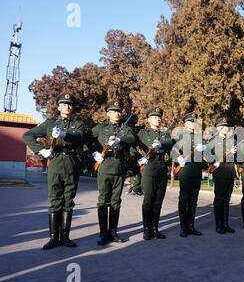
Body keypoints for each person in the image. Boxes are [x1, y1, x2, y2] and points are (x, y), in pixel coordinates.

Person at [23, 93, 86, 250]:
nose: (67, 106)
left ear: (73, 108)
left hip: (71, 163)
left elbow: (79, 137)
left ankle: (65, 237)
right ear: (58, 107)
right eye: (63, 104)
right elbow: (28, 135)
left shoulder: (78, 124)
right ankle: (53, 238)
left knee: (68, 201)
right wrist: (41, 151)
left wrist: (65, 134)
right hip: (56, 162)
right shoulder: (50, 123)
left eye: (69, 104)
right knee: (55, 200)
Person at [87, 101, 137, 245]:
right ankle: (103, 233)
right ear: (108, 113)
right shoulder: (101, 127)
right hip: (104, 166)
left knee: (116, 202)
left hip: (119, 167)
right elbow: (87, 138)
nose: (117, 113)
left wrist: (120, 139)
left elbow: (133, 138)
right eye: (114, 111)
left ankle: (113, 232)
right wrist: (94, 153)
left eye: (119, 111)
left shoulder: (125, 128)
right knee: (103, 200)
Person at [136, 107, 175, 240]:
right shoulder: (143, 133)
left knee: (158, 201)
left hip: (162, 167)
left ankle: (155, 228)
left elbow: (171, 145)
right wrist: (138, 158)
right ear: (149, 119)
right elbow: (133, 145)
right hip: (149, 166)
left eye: (159, 117)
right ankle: (146, 229)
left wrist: (162, 145)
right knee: (148, 200)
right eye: (154, 117)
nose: (157, 119)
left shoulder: (165, 134)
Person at [173, 113, 206, 237]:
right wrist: (179, 158)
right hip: (185, 170)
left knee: (193, 200)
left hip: (196, 170)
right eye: (191, 121)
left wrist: (205, 148)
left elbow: (205, 153)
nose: (194, 124)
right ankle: (183, 227)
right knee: (184, 199)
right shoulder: (180, 135)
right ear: (185, 123)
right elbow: (173, 150)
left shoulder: (199, 137)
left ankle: (191, 226)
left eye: (195, 122)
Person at [207, 118, 237, 234]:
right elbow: (205, 153)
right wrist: (213, 161)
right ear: (218, 128)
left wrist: (235, 152)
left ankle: (225, 223)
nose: (226, 128)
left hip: (229, 171)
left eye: (226, 126)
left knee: (227, 199)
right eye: (223, 127)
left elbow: (237, 157)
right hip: (219, 172)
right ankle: (219, 224)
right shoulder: (214, 140)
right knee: (219, 199)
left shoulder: (231, 140)